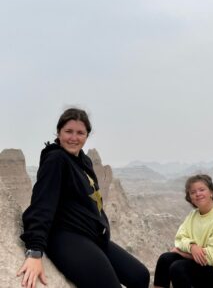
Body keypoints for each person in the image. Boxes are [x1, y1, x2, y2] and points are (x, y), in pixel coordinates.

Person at [17, 107, 150, 288]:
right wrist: (35, 252)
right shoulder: (56, 160)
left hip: (92, 237)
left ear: (87, 135)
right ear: (58, 132)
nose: (74, 138)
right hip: (66, 237)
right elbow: (42, 205)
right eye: (68, 131)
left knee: (140, 276)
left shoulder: (84, 161)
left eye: (80, 133)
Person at [153, 174, 213, 288]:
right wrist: (192, 247)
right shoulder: (193, 215)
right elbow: (180, 238)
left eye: (202, 190)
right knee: (165, 259)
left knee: (178, 268)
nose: (198, 194)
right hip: (198, 260)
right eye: (193, 192)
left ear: (211, 192)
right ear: (190, 198)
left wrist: (182, 252)